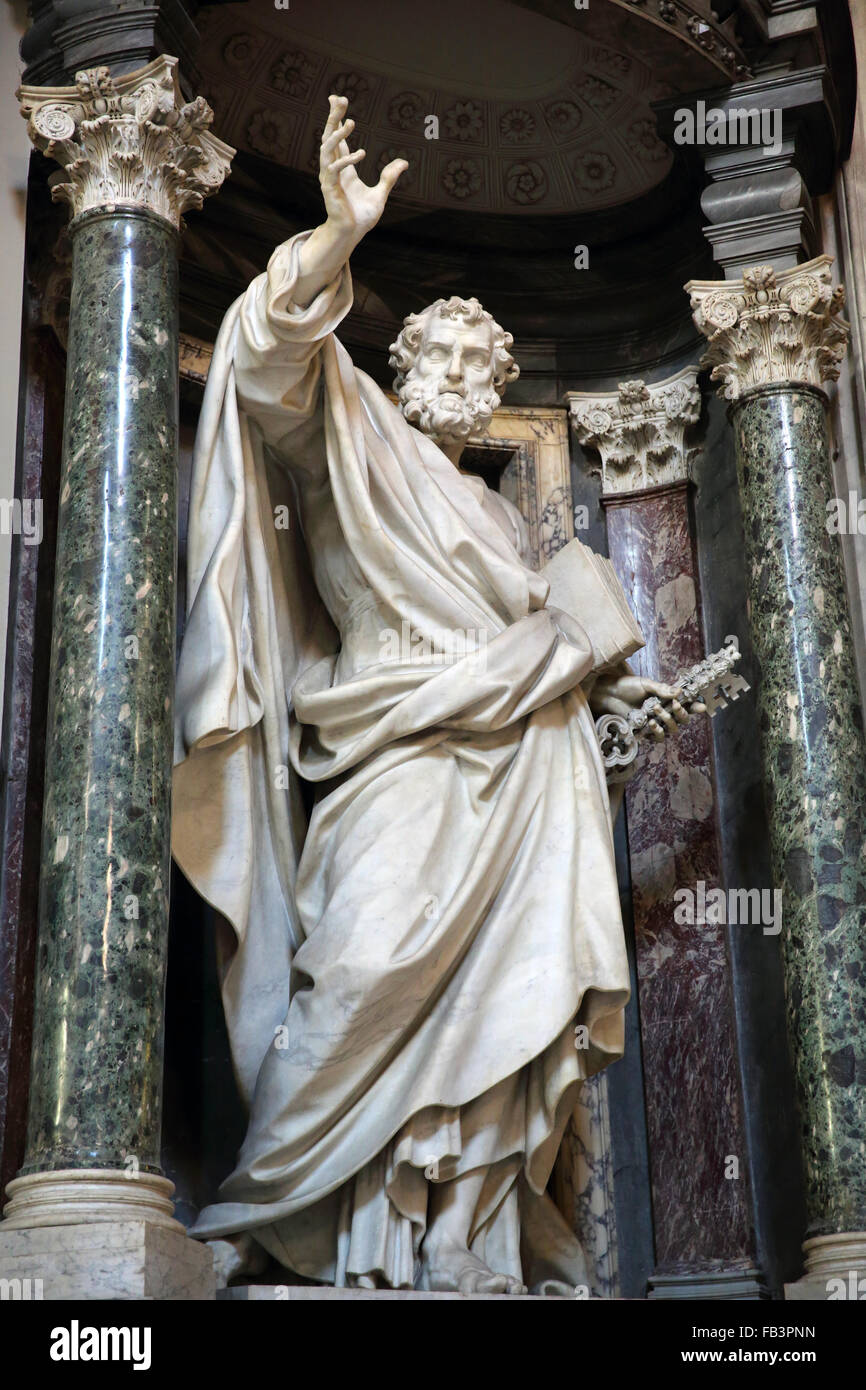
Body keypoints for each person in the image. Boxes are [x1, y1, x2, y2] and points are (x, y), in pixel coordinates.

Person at [173, 94, 689, 1295]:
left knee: (507, 1012)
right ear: (401, 369)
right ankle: (294, 1208)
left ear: (499, 385)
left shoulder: (510, 526)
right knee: (356, 971)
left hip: (519, 782)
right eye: (440, 355)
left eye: (480, 362)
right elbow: (263, 357)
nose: (458, 374)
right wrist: (339, 236)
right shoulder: (352, 439)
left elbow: (537, 659)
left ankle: (461, 1238)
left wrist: (612, 705)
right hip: (390, 758)